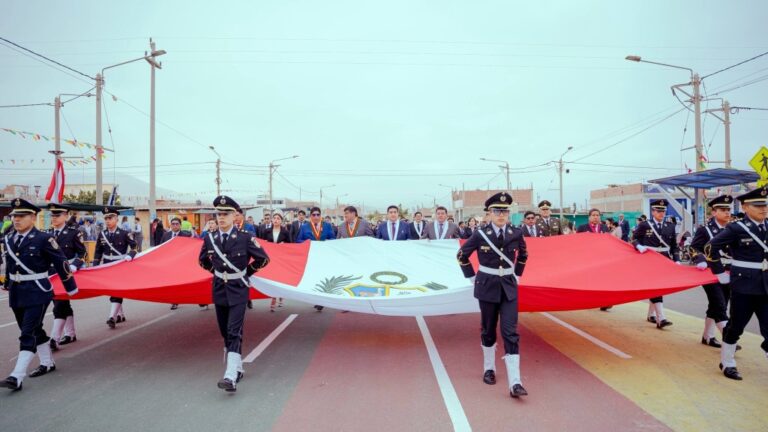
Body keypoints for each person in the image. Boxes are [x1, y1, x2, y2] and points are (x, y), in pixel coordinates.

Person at [457, 192, 528, 398]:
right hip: (486, 286)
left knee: (510, 332)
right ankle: (489, 368)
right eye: (497, 210)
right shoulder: (481, 233)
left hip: (508, 287)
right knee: (488, 330)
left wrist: (517, 274)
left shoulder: (516, 232)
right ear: (489, 213)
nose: (501, 214)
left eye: (505, 211)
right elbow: (461, 255)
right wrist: (471, 276)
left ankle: (515, 382)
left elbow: (523, 254)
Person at [2, 198, 78, 391]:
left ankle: (16, 376)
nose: (16, 219)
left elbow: (61, 261)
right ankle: (47, 362)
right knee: (35, 330)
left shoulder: (44, 239)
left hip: (38, 291)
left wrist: (70, 286)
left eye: (21, 216)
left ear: (33, 217)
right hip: (17, 293)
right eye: (14, 216)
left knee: (27, 332)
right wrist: (7, 282)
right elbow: (11, 263)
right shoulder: (10, 238)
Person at [198, 195, 269, 392]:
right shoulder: (210, 238)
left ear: (234, 215)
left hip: (238, 289)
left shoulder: (245, 237)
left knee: (233, 330)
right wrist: (218, 273)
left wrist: (245, 273)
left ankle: (230, 376)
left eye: (226, 214)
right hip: (219, 288)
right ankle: (237, 367)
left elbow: (264, 259)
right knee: (225, 332)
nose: (221, 217)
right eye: (219, 214)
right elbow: (202, 261)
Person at [706, 187, 768, 381]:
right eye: (758, 205)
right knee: (736, 326)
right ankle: (727, 362)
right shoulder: (736, 228)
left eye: (765, 205)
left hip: (765, 285)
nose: (763, 209)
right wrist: (719, 273)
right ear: (745, 207)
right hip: (743, 286)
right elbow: (711, 247)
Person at [688, 195, 734, 348]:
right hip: (710, 272)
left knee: (718, 305)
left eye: (728, 209)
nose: (727, 213)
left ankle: (708, 336)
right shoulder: (705, 230)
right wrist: (700, 259)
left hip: (728, 272)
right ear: (714, 212)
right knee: (719, 304)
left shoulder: (733, 228)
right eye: (723, 210)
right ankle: (729, 338)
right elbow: (693, 247)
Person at [46, 204, 86, 350]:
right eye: (52, 215)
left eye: (57, 215)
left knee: (59, 305)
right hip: (51, 274)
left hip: (66, 274)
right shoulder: (47, 233)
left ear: (66, 216)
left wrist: (75, 264)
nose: (54, 218)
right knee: (62, 304)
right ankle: (70, 334)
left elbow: (83, 253)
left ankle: (54, 339)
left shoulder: (73, 233)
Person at [633, 199, 678, 329]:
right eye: (658, 211)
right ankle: (661, 318)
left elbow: (674, 246)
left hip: (664, 258)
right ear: (653, 211)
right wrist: (639, 247)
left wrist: (677, 259)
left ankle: (651, 314)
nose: (661, 213)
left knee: (659, 286)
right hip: (649, 258)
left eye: (663, 211)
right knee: (656, 286)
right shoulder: (645, 225)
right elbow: (634, 238)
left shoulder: (670, 226)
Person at [93, 206, 137, 329]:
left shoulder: (124, 233)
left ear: (116, 219)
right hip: (107, 265)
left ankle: (112, 317)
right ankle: (120, 314)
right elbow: (98, 252)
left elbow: (135, 247)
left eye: (110, 218)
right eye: (106, 218)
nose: (108, 220)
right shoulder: (102, 235)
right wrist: (95, 267)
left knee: (116, 291)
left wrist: (130, 255)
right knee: (113, 290)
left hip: (120, 265)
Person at [295, 207, 335, 311]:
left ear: (320, 215)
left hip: (324, 256)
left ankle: (321, 300)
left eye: (318, 214)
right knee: (314, 278)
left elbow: (333, 239)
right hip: (311, 257)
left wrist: (327, 241)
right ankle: (317, 299)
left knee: (323, 277)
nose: (316, 217)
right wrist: (306, 242)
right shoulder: (304, 227)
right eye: (314, 215)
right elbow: (298, 240)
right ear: (310, 216)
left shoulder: (327, 226)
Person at [260, 213, 290, 311]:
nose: (276, 220)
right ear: (272, 220)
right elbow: (263, 243)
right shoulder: (266, 231)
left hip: (281, 258)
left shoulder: (285, 232)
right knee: (272, 278)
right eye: (275, 218)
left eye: (278, 218)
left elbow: (291, 244)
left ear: (281, 221)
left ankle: (280, 296)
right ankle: (273, 298)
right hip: (270, 258)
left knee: (280, 278)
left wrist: (283, 244)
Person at [163, 218, 193, 310]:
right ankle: (174, 301)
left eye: (177, 224)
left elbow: (190, 247)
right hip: (170, 263)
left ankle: (198, 298)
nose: (175, 226)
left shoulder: (186, 235)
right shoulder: (166, 235)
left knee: (186, 282)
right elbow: (161, 247)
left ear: (180, 225)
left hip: (182, 262)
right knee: (172, 283)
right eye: (173, 224)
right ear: (170, 225)